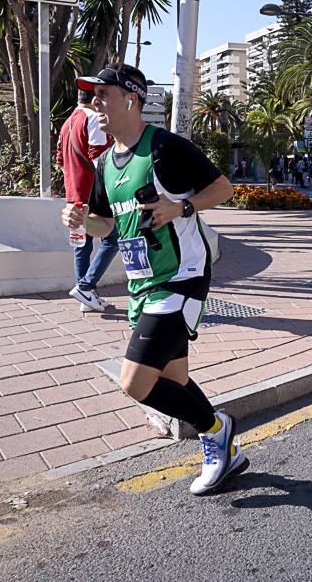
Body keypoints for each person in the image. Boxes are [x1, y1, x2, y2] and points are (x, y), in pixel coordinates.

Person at [60, 63, 244, 496]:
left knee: (135, 383)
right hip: (141, 285)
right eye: (91, 95)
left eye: (103, 94)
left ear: (132, 98)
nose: (94, 103)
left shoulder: (164, 147)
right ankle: (226, 453)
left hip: (181, 278)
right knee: (173, 380)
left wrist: (179, 208)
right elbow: (108, 226)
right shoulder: (104, 163)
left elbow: (224, 189)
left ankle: (217, 430)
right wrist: (85, 221)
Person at [57, 88, 116, 313]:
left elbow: (60, 161)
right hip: (94, 192)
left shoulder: (67, 122)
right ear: (95, 100)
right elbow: (99, 156)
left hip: (73, 192)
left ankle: (86, 298)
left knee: (81, 244)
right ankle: (85, 286)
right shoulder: (92, 118)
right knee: (113, 237)